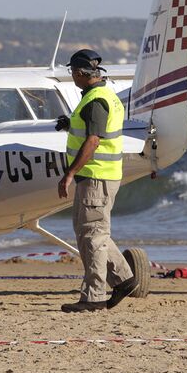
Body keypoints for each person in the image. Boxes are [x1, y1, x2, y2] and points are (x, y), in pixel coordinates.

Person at [56, 49, 136, 312]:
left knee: (92, 235)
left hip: (96, 176)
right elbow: (91, 130)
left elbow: (93, 139)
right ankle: (124, 279)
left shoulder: (95, 100)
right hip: (97, 175)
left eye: (72, 73)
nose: (72, 77)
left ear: (80, 73)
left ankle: (94, 296)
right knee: (90, 231)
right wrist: (69, 125)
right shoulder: (102, 96)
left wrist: (68, 173)